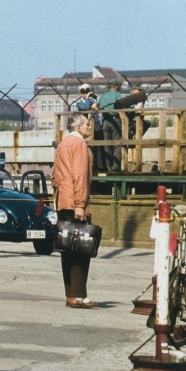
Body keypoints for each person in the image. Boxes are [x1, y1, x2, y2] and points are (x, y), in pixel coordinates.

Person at [53, 114, 97, 308]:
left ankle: (71, 294)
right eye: (87, 124)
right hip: (75, 203)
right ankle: (79, 295)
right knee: (81, 249)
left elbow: (55, 176)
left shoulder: (63, 144)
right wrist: (80, 204)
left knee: (67, 249)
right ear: (78, 127)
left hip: (63, 201)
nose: (90, 127)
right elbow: (79, 175)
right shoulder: (79, 144)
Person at [94, 80, 125, 172]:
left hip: (105, 122)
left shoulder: (103, 96)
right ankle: (116, 167)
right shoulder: (117, 95)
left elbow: (93, 106)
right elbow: (120, 109)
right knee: (117, 144)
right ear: (116, 86)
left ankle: (108, 167)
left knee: (107, 145)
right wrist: (123, 122)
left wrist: (102, 110)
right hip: (115, 121)